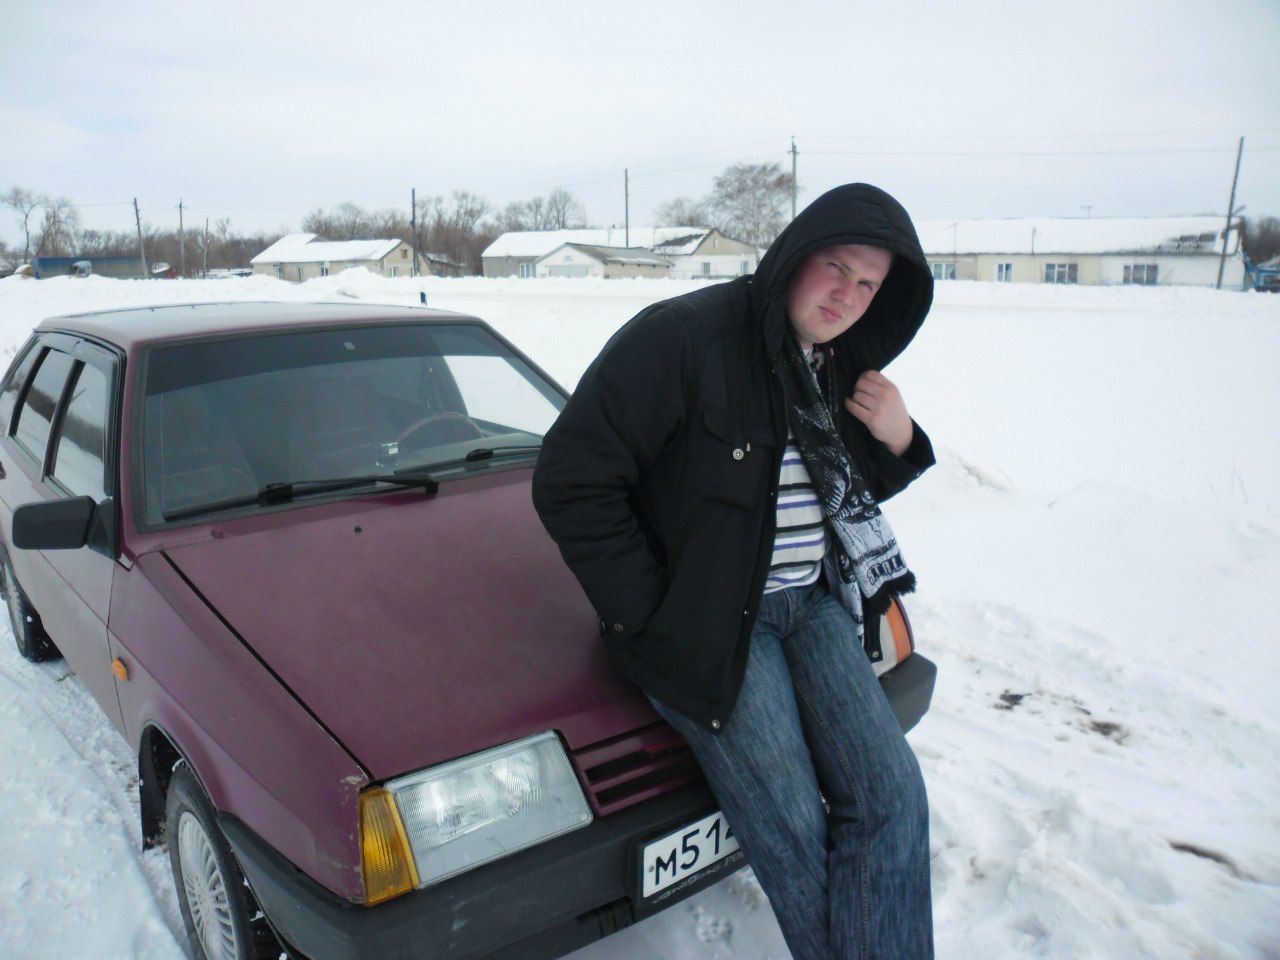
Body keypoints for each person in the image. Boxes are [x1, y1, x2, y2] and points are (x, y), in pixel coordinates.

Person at [532, 183, 935, 960]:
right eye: (836, 266)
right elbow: (572, 478)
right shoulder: (683, 339)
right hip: (715, 630)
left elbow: (832, 490)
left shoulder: (832, 365)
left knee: (892, 799)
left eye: (867, 284)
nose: (846, 295)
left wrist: (897, 438)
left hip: (812, 606)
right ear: (795, 253)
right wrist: (652, 614)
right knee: (794, 830)